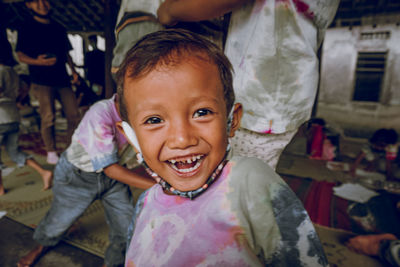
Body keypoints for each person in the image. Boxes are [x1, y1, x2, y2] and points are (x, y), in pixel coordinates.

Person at [116, 29, 328, 266]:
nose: (182, 139)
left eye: (202, 112)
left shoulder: (249, 181)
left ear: (232, 120)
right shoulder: (145, 204)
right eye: (154, 120)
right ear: (131, 137)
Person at [157, 0, 340, 169]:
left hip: (261, 96)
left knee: (236, 185)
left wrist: (169, 11)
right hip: (275, 91)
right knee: (239, 180)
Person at [17, 95, 155, 267]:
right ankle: (40, 246)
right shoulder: (100, 113)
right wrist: (157, 187)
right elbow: (110, 169)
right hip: (78, 176)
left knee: (126, 224)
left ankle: (113, 263)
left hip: (115, 177)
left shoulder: (144, 111)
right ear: (121, 94)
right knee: (60, 221)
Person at [16, 0, 80, 165]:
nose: (41, 4)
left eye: (45, 0)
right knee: (48, 117)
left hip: (62, 79)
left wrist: (73, 71)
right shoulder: (26, 27)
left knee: (74, 115)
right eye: (36, 1)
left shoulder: (58, 27)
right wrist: (39, 62)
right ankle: (51, 151)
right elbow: (20, 56)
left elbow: (66, 54)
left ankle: (69, 149)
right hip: (41, 80)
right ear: (28, 5)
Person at [0, 40, 52, 195]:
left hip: (1, 117)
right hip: (13, 116)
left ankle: (0, 189)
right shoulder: (12, 71)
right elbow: (22, 90)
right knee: (14, 152)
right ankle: (43, 172)